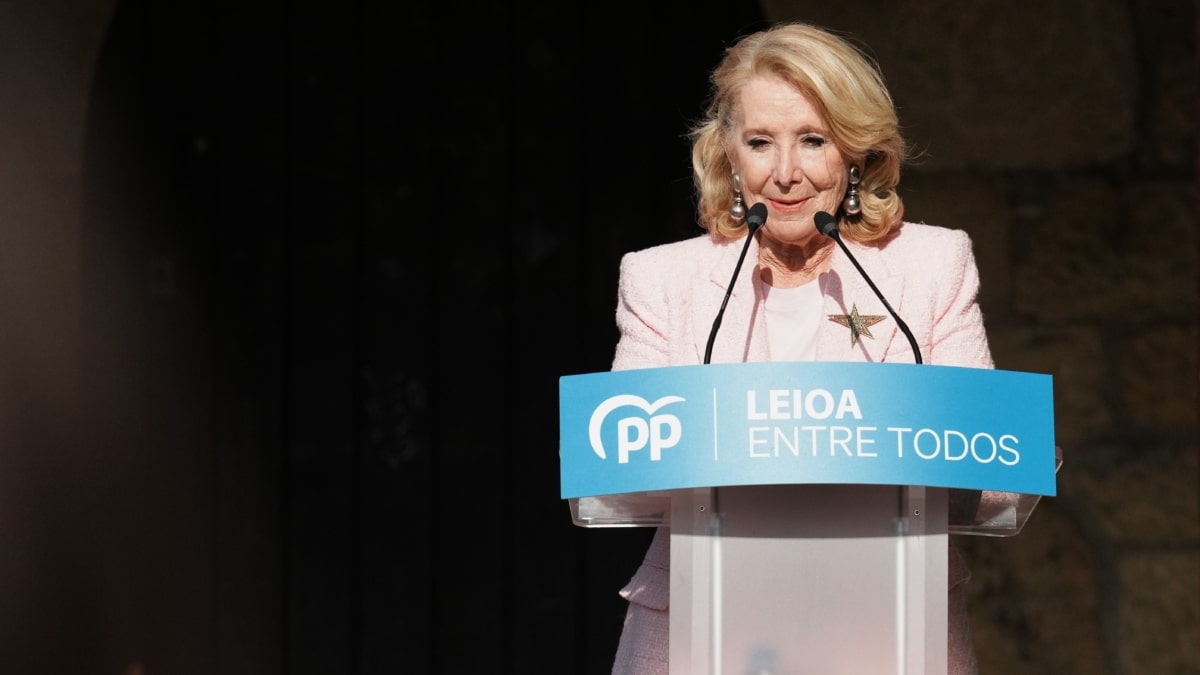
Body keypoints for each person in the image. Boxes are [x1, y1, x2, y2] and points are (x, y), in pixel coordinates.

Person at [608, 23, 992, 675]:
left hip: (890, 631)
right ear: (729, 151)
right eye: (760, 142)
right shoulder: (661, 280)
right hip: (699, 638)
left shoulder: (932, 266)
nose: (785, 173)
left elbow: (994, 471)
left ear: (854, 149)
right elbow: (620, 477)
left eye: (813, 140)